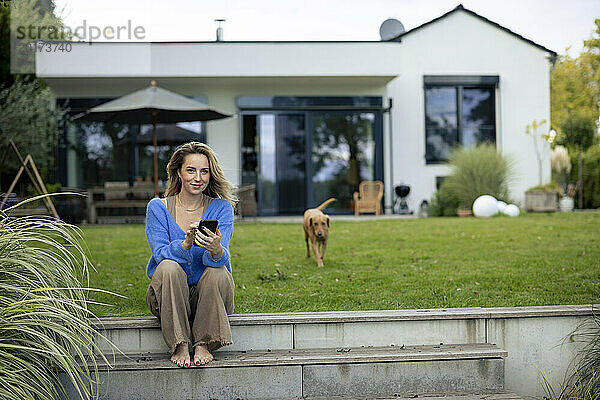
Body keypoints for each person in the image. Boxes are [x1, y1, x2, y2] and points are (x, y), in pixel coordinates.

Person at [144, 142, 236, 368]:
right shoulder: (158, 207)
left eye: (204, 171)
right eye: (191, 170)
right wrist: (185, 244)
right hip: (169, 293)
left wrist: (216, 250)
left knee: (217, 270)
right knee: (167, 266)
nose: (198, 178)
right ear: (178, 172)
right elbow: (159, 253)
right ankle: (181, 344)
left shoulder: (222, 208)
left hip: (210, 295)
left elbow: (220, 261)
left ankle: (204, 342)